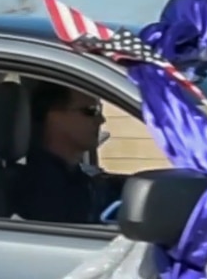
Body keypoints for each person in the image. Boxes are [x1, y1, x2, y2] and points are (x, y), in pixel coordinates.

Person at [9, 82, 122, 224]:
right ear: (54, 118)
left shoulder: (70, 174)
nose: (101, 120)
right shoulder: (44, 190)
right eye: (91, 110)